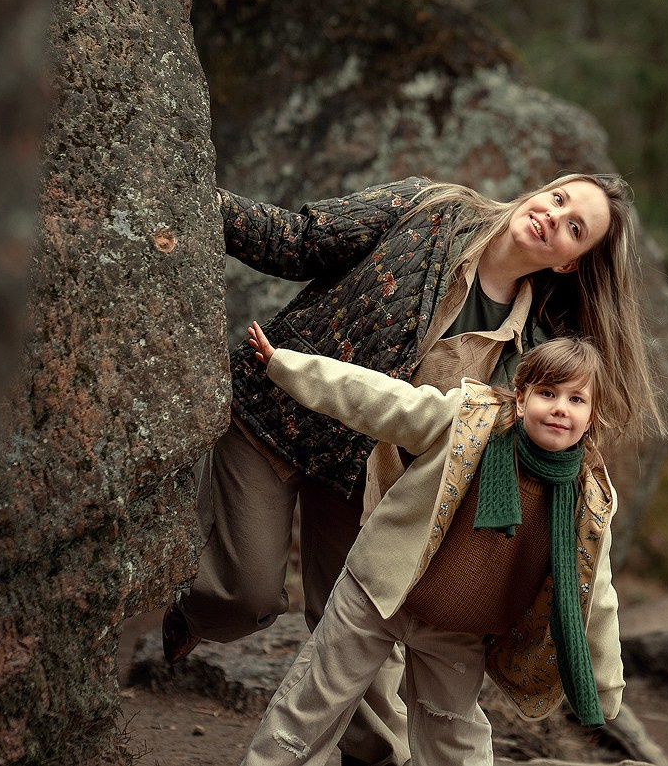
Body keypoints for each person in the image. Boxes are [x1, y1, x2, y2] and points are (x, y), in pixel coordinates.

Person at [163, 173, 663, 766]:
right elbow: (300, 240)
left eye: (575, 228)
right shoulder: (429, 210)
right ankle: (193, 614)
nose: (554, 217)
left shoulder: (527, 355)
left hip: (368, 476)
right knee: (242, 596)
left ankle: (372, 760)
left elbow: (501, 453)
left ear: (571, 264)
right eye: (558, 199)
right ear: (540, 192)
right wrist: (191, 195)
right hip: (280, 415)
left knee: (360, 640)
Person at [241, 326, 626, 766]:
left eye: (576, 400)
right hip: (378, 596)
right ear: (521, 400)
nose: (560, 409)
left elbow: (595, 592)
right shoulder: (467, 421)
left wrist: (607, 683)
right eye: (548, 393)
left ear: (592, 416)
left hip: (458, 629)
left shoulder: (588, 502)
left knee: (455, 741)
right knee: (312, 706)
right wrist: (285, 365)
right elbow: (378, 400)